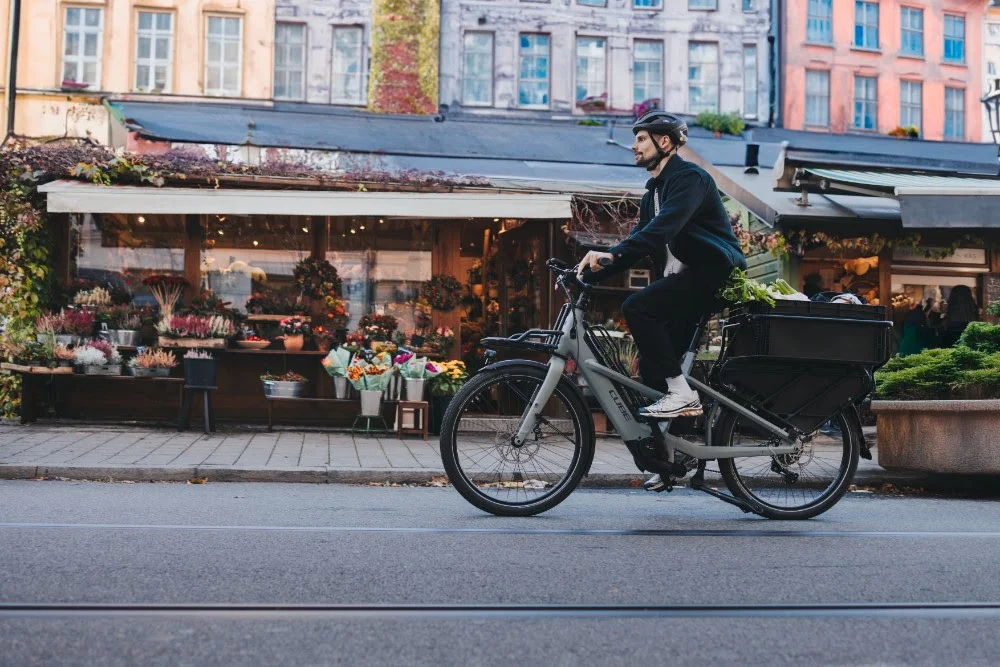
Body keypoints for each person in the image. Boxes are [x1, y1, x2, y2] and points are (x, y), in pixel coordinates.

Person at [576, 110, 747, 422]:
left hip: (712, 274)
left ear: (664, 142)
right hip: (684, 282)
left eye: (641, 139)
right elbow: (640, 242)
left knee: (638, 307)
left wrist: (611, 255)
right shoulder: (652, 194)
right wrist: (588, 274)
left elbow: (663, 229)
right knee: (655, 373)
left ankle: (683, 395)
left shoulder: (690, 179)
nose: (635, 146)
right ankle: (674, 464)